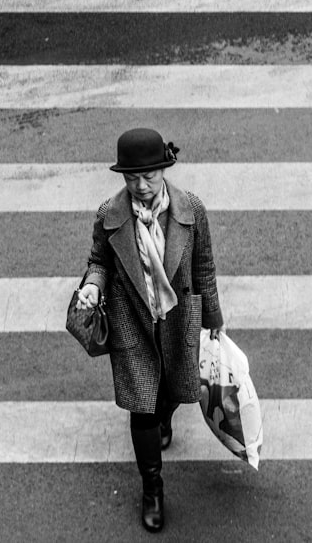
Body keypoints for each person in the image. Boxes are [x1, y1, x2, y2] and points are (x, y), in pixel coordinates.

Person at [75, 127, 224, 533]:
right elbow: (99, 261)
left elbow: (204, 267)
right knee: (142, 407)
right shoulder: (109, 214)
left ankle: (166, 416)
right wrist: (92, 285)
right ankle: (152, 487)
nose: (141, 186)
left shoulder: (191, 209)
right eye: (131, 178)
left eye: (149, 177)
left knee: (174, 393)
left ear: (165, 169)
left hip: (177, 321)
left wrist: (214, 321)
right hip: (131, 322)